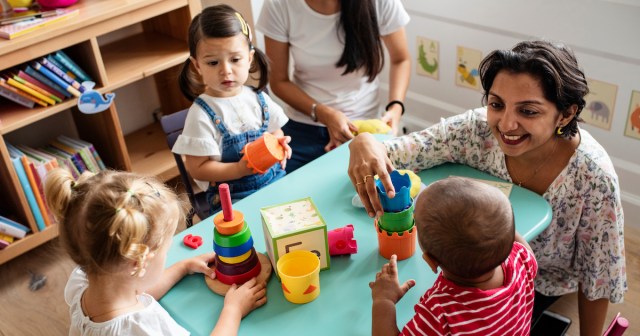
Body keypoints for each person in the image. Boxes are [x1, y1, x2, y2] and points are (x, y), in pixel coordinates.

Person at [349, 40, 626, 336]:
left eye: (528, 111)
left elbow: (598, 277)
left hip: (541, 284)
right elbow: (400, 151)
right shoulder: (473, 131)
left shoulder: (595, 177)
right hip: (480, 273)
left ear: (566, 114)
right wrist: (363, 142)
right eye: (496, 104)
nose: (506, 124)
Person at [44, 169, 267, 335]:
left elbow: (138, 291)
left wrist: (182, 267)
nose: (168, 255)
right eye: (166, 250)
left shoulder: (82, 283)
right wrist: (233, 310)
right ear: (138, 263)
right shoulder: (144, 328)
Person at [256, 0, 411, 173]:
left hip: (364, 128)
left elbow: (401, 59)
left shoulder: (380, 3)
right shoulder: (279, 5)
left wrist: (396, 108)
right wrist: (325, 114)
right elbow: (279, 81)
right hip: (304, 126)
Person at [370, 177, 538, 335]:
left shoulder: (440, 313)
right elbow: (514, 239)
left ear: (431, 261)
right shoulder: (522, 260)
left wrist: (384, 300)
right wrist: (493, 223)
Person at [175, 5, 292, 214]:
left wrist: (278, 145)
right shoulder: (201, 114)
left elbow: (276, 131)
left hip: (275, 181)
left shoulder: (258, 98)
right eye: (213, 62)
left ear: (249, 58)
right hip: (233, 199)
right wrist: (238, 169)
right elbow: (197, 168)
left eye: (235, 59)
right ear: (197, 66)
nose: (226, 71)